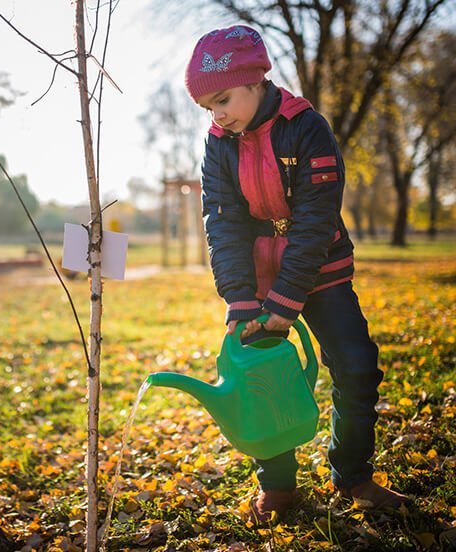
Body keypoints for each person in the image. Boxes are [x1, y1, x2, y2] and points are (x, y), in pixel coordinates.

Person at [183, 25, 408, 523]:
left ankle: (353, 474)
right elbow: (222, 221)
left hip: (320, 269)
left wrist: (287, 303)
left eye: (222, 99)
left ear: (256, 79)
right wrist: (241, 299)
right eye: (207, 107)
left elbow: (315, 221)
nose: (217, 114)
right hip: (258, 278)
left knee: (355, 367)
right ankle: (278, 485)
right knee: (263, 377)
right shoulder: (219, 143)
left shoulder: (306, 127)